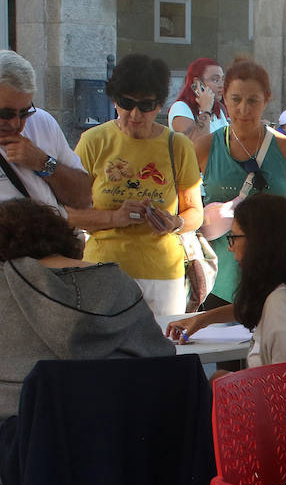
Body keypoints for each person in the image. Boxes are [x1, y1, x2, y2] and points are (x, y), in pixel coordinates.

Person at [0, 197, 171, 423]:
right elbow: (161, 357)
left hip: (23, 437)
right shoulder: (116, 282)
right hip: (121, 431)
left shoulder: (5, 286)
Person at [68, 54, 204, 316]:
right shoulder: (93, 141)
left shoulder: (178, 146)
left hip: (161, 274)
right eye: (125, 103)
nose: (134, 114)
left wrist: (175, 223)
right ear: (114, 100)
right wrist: (114, 217)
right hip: (103, 271)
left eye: (145, 105)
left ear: (160, 105)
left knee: (161, 353)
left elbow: (195, 213)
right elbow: (70, 214)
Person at [194, 61, 286, 310]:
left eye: (253, 101)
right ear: (223, 99)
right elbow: (185, 207)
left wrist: (266, 221)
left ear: (266, 99)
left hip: (278, 277)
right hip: (219, 280)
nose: (243, 109)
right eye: (235, 99)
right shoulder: (205, 147)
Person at [164, 193, 286, 369]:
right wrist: (201, 320)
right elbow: (252, 307)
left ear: (260, 242)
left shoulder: (281, 303)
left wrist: (234, 383)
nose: (230, 248)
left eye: (234, 237)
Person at [0, 51, 91, 211]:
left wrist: (44, 163)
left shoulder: (42, 122)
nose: (16, 124)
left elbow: (83, 198)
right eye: (6, 114)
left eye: (24, 113)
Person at [167, 58, 228, 140]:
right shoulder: (181, 108)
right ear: (197, 83)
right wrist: (205, 110)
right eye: (215, 80)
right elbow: (196, 144)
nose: (221, 85)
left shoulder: (220, 109)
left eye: (222, 79)